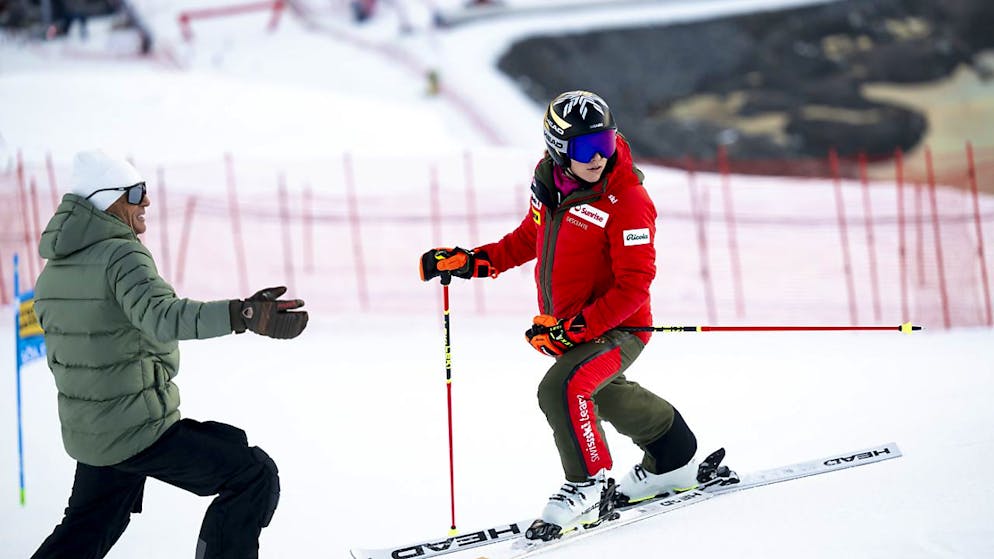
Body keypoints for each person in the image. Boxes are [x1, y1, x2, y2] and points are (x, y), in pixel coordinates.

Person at [420, 91, 699, 539]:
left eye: (606, 144)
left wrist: (575, 330)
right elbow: (531, 237)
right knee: (599, 396)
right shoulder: (550, 183)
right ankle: (673, 453)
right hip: (572, 325)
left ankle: (588, 484)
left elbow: (634, 286)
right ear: (557, 148)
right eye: (586, 149)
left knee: (563, 388)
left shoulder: (625, 200)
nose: (598, 158)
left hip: (619, 327)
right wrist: (475, 261)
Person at [31, 149, 309, 559]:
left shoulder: (54, 270)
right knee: (252, 475)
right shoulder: (120, 254)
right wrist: (242, 314)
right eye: (136, 192)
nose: (146, 201)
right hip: (136, 428)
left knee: (85, 531)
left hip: (93, 434)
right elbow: (164, 316)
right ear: (108, 199)